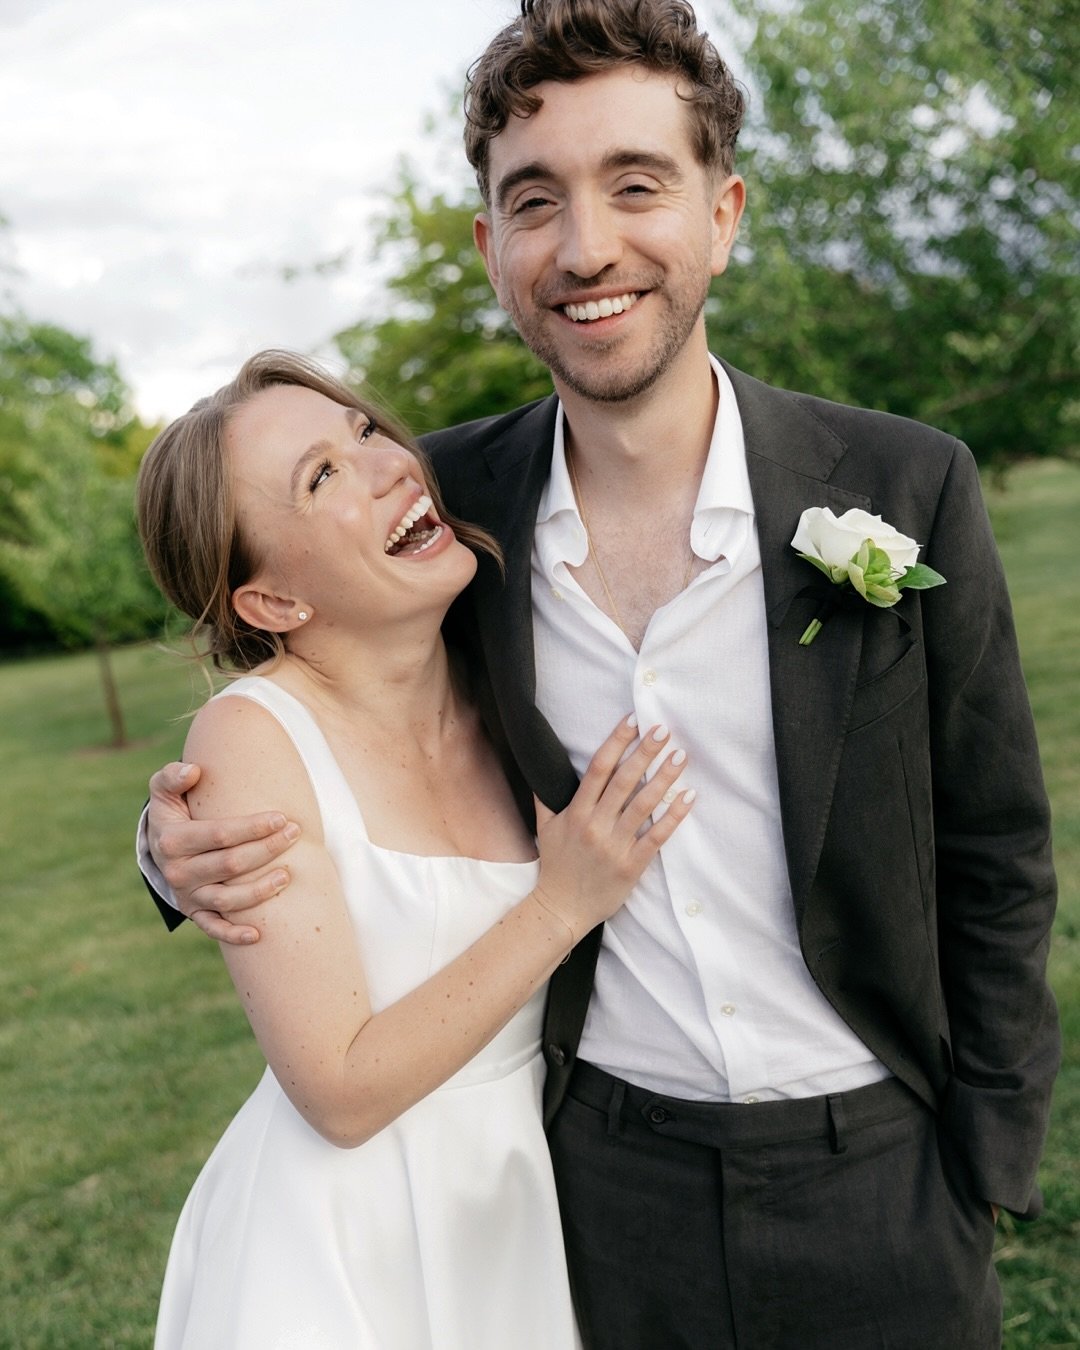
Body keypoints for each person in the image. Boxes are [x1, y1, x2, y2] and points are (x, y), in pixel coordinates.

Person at [140, 2, 1060, 1346]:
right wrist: (171, 848)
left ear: (724, 211)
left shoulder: (904, 483)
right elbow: (305, 680)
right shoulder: (437, 515)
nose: (587, 247)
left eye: (637, 184)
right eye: (534, 200)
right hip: (596, 1200)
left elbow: (999, 849)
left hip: (888, 1181)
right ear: (491, 246)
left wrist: (989, 1161)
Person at [135, 348, 695, 1349]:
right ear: (272, 606)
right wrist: (563, 904)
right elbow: (340, 1090)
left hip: (514, 1212)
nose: (388, 463)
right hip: (340, 1251)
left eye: (360, 430)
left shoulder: (501, 659)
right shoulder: (251, 740)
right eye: (320, 478)